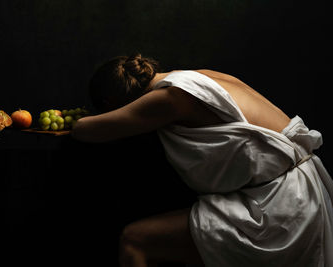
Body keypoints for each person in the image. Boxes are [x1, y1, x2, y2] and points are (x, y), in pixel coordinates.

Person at [71, 54, 333, 267]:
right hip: (301, 193)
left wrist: (69, 119)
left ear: (112, 102)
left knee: (134, 240)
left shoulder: (171, 98)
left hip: (281, 209)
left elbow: (89, 130)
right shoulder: (197, 76)